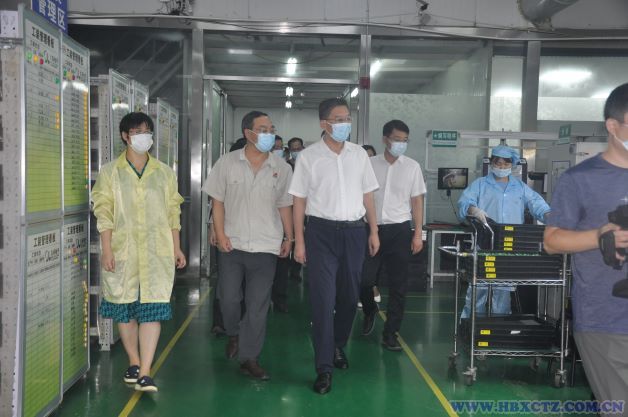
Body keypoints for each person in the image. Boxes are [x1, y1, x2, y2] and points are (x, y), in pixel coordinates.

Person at [544, 83, 628, 415]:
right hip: (605, 320)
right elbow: (552, 241)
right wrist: (599, 236)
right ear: (613, 126)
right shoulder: (580, 179)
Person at [290, 98, 380, 395]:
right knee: (322, 299)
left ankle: (337, 345)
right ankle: (324, 367)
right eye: (338, 119)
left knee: (349, 297)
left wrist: (373, 231)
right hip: (321, 233)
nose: (345, 124)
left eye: (347, 118)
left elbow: (368, 196)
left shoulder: (359, 155)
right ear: (324, 124)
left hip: (354, 232)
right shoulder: (309, 157)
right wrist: (299, 241)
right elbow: (299, 201)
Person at [92, 112, 186, 393]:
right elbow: (104, 212)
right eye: (136, 132)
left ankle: (145, 372)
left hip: (157, 252)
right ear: (125, 136)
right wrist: (107, 250)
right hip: (123, 251)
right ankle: (133, 360)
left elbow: (173, 213)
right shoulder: (111, 172)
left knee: (152, 310)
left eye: (146, 131)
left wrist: (177, 247)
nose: (143, 136)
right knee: (125, 311)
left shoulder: (164, 173)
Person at [203, 111, 293, 381]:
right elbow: (217, 201)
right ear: (248, 133)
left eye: (271, 129)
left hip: (266, 245)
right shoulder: (227, 163)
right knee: (229, 298)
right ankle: (234, 333)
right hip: (233, 243)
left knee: (257, 305)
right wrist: (219, 233)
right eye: (263, 129)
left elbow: (285, 205)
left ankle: (249, 358)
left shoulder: (282, 168)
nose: (269, 134)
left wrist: (289, 237)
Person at [458, 145, 550, 318]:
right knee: (478, 289)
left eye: (505, 164)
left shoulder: (520, 187)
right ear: (491, 163)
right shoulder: (480, 184)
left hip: (509, 245)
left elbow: (537, 204)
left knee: (503, 293)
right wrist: (473, 210)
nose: (501, 167)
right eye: (498, 163)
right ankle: (472, 326)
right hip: (485, 243)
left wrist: (550, 216)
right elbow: (464, 203)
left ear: (512, 165)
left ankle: (498, 328)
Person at [360, 120, 426, 351]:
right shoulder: (369, 164)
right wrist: (371, 229)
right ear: (385, 139)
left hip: (399, 230)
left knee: (399, 285)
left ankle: (391, 334)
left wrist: (417, 234)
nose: (401, 144)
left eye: (405, 140)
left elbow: (417, 201)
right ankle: (370, 310)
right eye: (397, 139)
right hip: (371, 229)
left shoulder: (412, 167)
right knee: (364, 280)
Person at [209, 137, 248, 336]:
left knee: (246, 286)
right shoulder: (225, 169)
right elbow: (216, 204)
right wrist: (214, 230)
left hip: (252, 240)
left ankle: (241, 323)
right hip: (227, 237)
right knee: (226, 285)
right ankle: (220, 322)